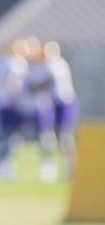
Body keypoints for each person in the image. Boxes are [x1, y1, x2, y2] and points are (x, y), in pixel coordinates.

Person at [0, 39, 28, 181]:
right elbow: (12, 81)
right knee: (11, 135)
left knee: (6, 135)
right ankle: (3, 164)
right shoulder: (13, 62)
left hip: (3, 101)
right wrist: (13, 99)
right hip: (11, 103)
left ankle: (1, 163)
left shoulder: (1, 61)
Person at [22, 38, 59, 183]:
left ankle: (48, 163)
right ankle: (6, 164)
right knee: (15, 135)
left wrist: (34, 88)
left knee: (46, 136)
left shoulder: (48, 65)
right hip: (27, 107)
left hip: (43, 106)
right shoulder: (27, 66)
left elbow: (48, 83)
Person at [45, 41, 78, 178]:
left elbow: (49, 82)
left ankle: (72, 165)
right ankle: (68, 164)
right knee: (59, 136)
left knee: (65, 136)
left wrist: (32, 88)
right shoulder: (54, 64)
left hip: (65, 103)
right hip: (58, 103)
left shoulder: (57, 64)